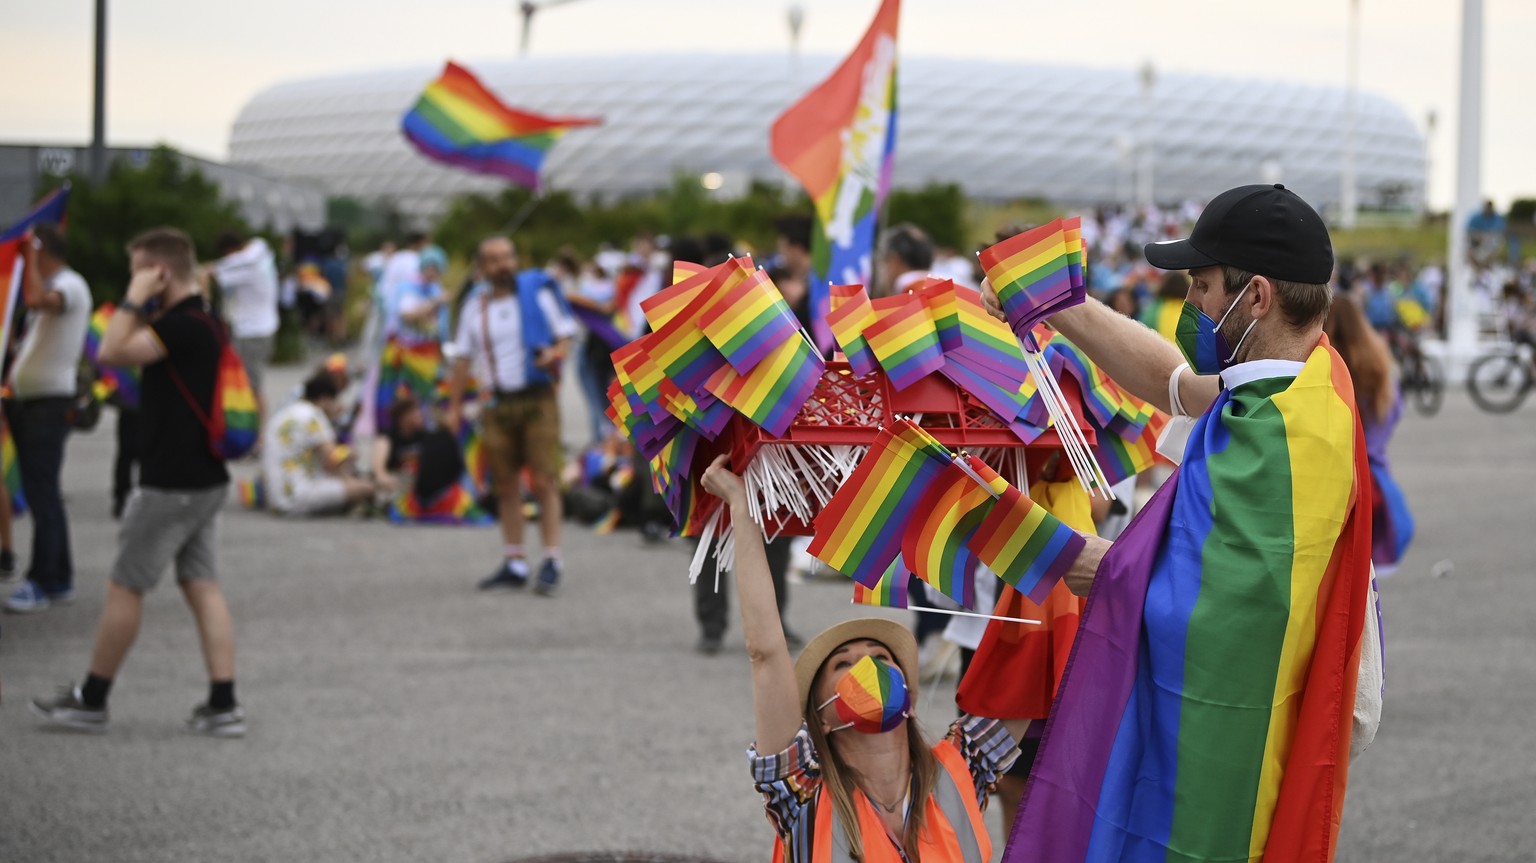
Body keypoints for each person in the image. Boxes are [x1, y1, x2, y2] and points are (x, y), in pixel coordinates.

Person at [983, 184, 1381, 860]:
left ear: (1256, 296)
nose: (1190, 303)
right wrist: (1058, 305)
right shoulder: (1303, 377)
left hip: (1223, 770)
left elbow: (1168, 602)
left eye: (1201, 285)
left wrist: (979, 513)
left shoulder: (1285, 444)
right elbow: (1172, 383)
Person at [699, 455, 1025, 863]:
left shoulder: (961, 767)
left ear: (906, 691)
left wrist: (1025, 497)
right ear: (821, 716)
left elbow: (1027, 660)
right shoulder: (801, 791)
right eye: (844, 664)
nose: (868, 666)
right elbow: (765, 652)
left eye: (880, 655)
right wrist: (742, 510)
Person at [31, 227, 245, 736]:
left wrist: (133, 298)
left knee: (126, 585)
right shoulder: (209, 320)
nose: (135, 281)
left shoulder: (182, 325)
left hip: (169, 482)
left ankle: (93, 697)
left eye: (139, 270)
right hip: (204, 477)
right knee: (202, 585)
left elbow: (110, 351)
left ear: (160, 273)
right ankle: (223, 701)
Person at [446, 236, 578, 596]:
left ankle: (552, 559)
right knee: (504, 484)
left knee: (545, 479)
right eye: (494, 260)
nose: (504, 264)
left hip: (538, 400)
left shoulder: (537, 292)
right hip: (496, 403)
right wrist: (454, 407)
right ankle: (515, 560)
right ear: (481, 268)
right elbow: (461, 357)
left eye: (507, 257)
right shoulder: (475, 305)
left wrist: (554, 354)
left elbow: (566, 335)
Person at [3, 223, 91, 614]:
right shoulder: (64, 283)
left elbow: (38, 298)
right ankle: (58, 578)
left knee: (43, 494)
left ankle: (44, 580)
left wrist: (28, 258)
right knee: (44, 492)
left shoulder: (70, 284)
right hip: (34, 402)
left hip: (47, 404)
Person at [1326, 293, 1415, 573]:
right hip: (1375, 478)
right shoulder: (1378, 365)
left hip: (1333, 481)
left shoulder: (1325, 366)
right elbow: (1393, 412)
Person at [263, 373, 374, 517]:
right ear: (325, 399)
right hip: (297, 497)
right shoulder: (314, 415)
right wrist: (350, 453)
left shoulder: (281, 415)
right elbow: (333, 459)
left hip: (274, 499)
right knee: (367, 488)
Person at [209, 229, 280, 427]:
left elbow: (219, 273)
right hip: (263, 327)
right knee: (252, 384)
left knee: (250, 386)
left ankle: (256, 436)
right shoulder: (260, 253)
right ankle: (255, 435)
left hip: (252, 331)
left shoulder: (247, 264)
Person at [873, 223, 934, 298]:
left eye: (885, 261)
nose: (883, 270)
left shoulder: (908, 297)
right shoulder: (943, 291)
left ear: (895, 260)